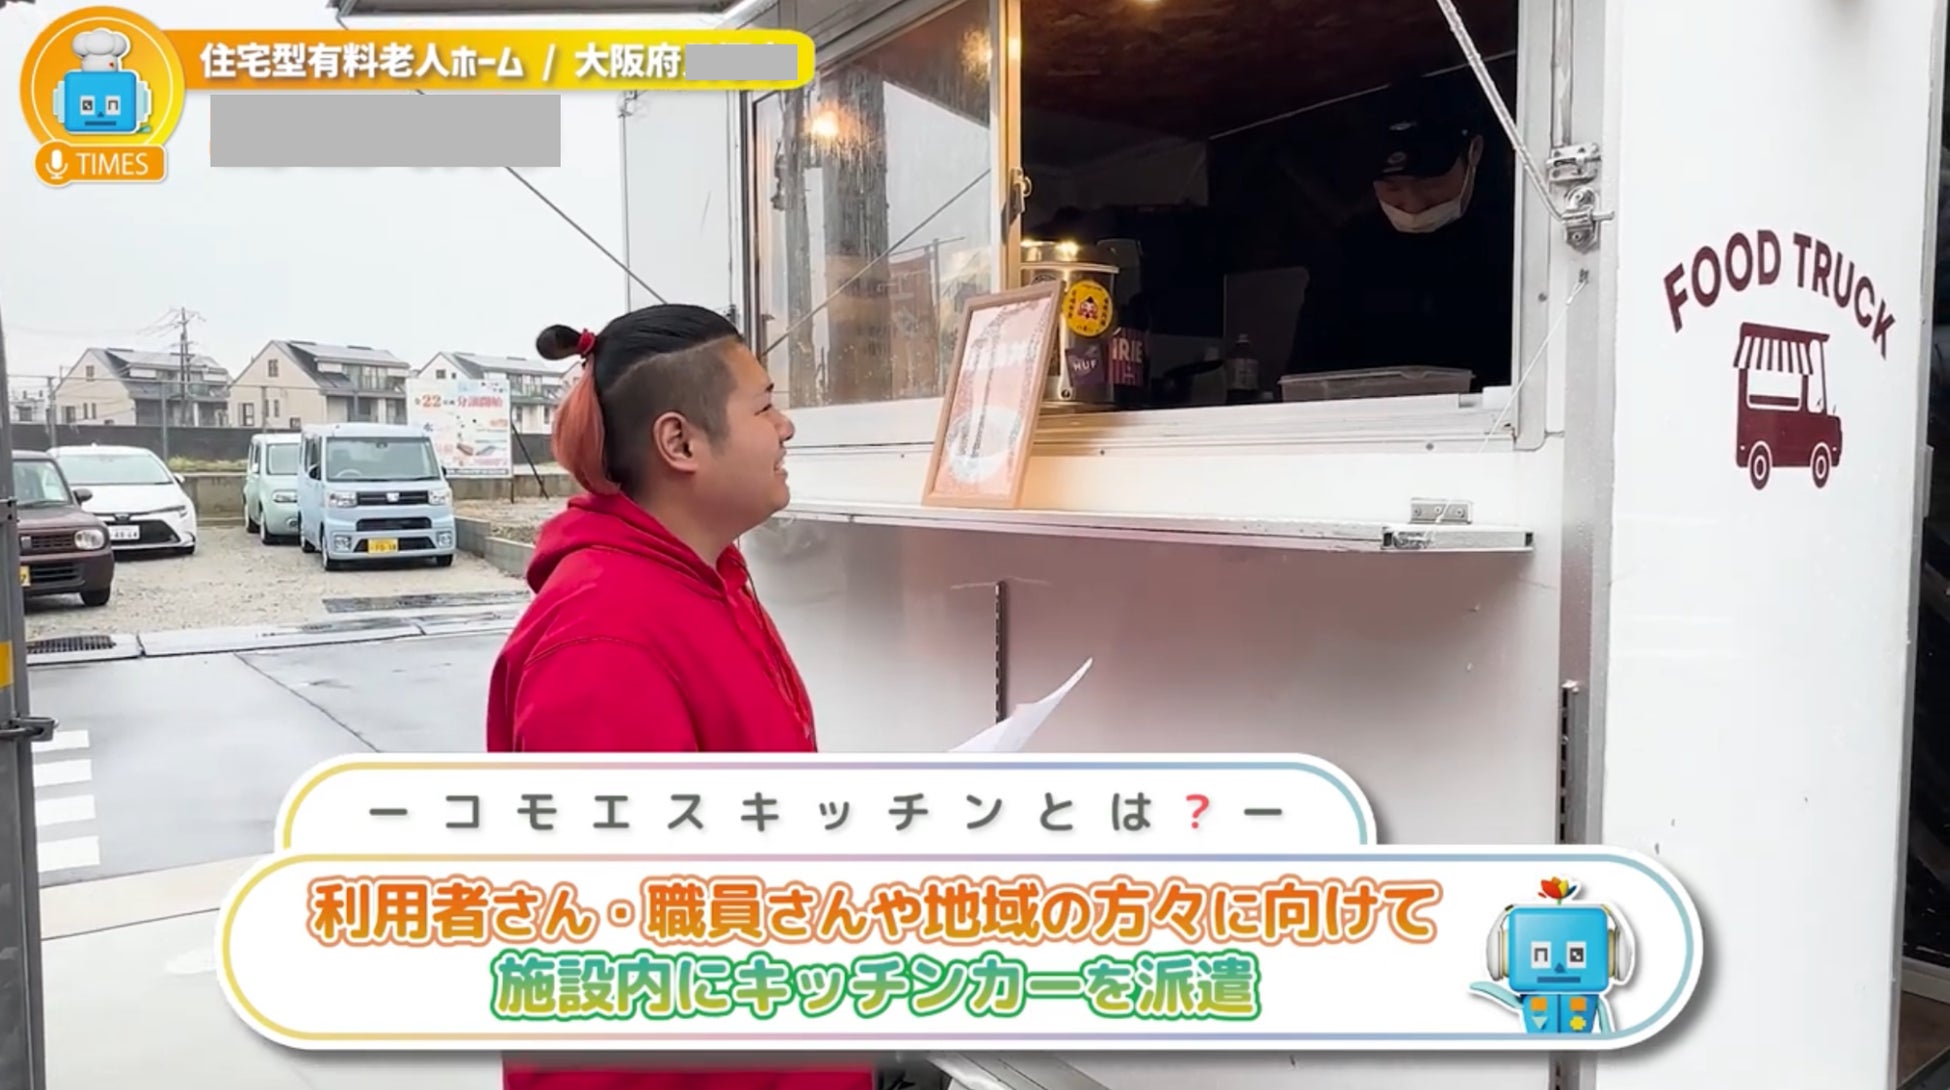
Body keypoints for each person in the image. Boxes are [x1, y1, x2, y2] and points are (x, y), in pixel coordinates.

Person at [487, 304, 872, 1090]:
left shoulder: (707, 580)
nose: (786, 427)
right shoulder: (601, 638)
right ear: (680, 442)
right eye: (764, 407)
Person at [1285, 81, 1515, 389]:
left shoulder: (1518, 238)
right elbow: (1306, 375)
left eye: (1430, 185)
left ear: (1474, 151)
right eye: (1393, 189)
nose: (1414, 204)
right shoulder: (1350, 250)